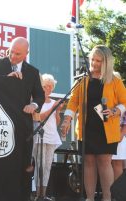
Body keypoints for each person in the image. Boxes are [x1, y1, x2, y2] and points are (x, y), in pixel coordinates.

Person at [61, 45, 126, 201]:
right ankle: (89, 198)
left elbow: (124, 102)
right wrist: (67, 120)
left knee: (104, 162)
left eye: (99, 60)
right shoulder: (83, 79)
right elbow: (73, 102)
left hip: (106, 129)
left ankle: (107, 198)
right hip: (86, 127)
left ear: (106, 62)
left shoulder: (115, 81)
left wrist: (115, 111)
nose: (94, 63)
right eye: (92, 59)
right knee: (88, 162)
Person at [0, 36, 45, 201]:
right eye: (11, 52)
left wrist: (34, 106)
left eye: (18, 54)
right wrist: (6, 80)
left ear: (26, 53)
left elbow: (39, 96)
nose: (13, 56)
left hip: (22, 125)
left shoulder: (33, 72)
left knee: (23, 162)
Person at [32, 74, 63, 201]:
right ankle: (37, 194)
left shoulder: (53, 103)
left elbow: (56, 122)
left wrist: (57, 111)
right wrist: (53, 108)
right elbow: (38, 118)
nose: (47, 88)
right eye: (45, 86)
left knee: (47, 165)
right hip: (39, 136)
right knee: (39, 165)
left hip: (51, 136)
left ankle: (43, 194)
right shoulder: (36, 102)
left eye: (50, 86)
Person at [111, 71, 126, 181]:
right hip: (105, 136)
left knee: (117, 164)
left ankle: (117, 195)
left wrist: (121, 134)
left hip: (120, 136)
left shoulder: (123, 98)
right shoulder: (104, 99)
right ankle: (108, 196)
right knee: (106, 164)